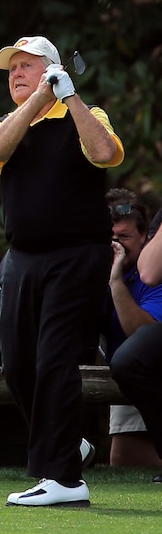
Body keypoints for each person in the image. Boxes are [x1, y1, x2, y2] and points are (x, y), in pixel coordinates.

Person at [0, 35, 124, 507]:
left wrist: (70, 98)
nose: (16, 74)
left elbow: (105, 154)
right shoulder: (5, 124)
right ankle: (69, 445)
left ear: (53, 68)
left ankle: (64, 479)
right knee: (17, 364)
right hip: (22, 258)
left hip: (77, 254)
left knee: (54, 360)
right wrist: (39, 99)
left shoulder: (86, 115)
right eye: (11, 69)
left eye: (27, 65)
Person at [98, 190, 162, 469]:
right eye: (109, 238)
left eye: (123, 237)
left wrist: (115, 282)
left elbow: (144, 335)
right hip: (114, 367)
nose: (116, 245)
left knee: (124, 460)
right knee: (122, 461)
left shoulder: (154, 271)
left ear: (144, 236)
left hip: (149, 371)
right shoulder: (90, 265)